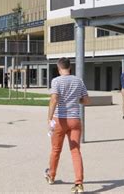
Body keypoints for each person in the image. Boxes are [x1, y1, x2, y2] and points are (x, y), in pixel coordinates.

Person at [45, 57, 90, 193]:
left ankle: (51, 176)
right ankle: (79, 184)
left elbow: (54, 100)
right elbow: (86, 100)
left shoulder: (56, 81)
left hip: (60, 120)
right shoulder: (78, 81)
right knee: (75, 151)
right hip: (75, 120)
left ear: (59, 69)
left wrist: (49, 118)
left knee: (55, 150)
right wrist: (77, 100)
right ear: (70, 68)